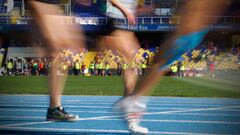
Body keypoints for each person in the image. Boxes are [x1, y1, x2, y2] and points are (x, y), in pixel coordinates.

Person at [115, 0, 228, 134]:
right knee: (155, 61)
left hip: (189, 32)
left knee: (160, 60)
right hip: (191, 33)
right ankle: (133, 102)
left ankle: (133, 102)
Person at [28, 0, 85, 121]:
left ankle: (55, 107)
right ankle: (54, 108)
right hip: (39, 2)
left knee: (65, 49)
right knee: (55, 49)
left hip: (53, 4)